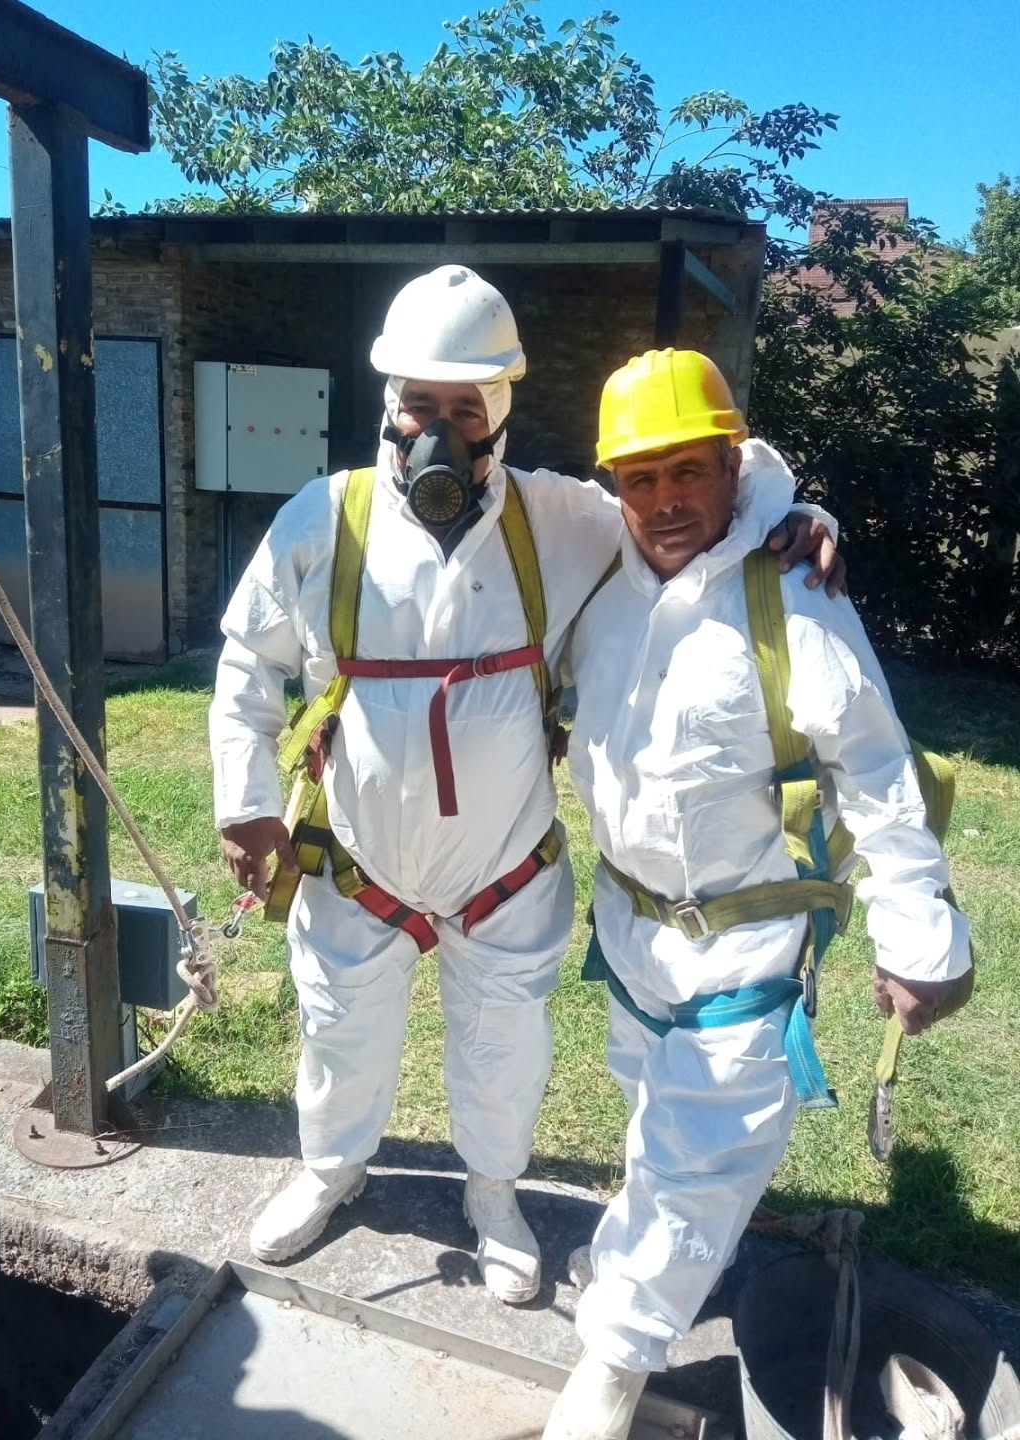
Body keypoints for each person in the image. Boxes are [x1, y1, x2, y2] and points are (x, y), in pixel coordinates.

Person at [208, 268, 842, 1305]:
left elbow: (688, 491)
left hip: (504, 869)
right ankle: (330, 1171)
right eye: (420, 404)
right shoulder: (325, 521)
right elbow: (247, 663)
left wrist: (791, 509)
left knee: (504, 1049)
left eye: (466, 409)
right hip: (357, 862)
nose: (439, 433)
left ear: (502, 410)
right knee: (339, 1034)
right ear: (389, 401)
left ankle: (494, 1195)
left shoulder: (561, 520)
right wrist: (244, 804)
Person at [541, 348, 974, 1439]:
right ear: (612, 486)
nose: (665, 501)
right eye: (640, 478)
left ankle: (614, 1362)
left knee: (703, 1155)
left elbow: (875, 771)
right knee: (655, 1117)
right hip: (633, 934)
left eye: (689, 470)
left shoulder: (795, 598)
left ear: (734, 466)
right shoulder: (599, 579)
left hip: (747, 943)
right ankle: (655, 1261)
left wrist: (921, 933)